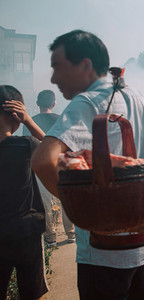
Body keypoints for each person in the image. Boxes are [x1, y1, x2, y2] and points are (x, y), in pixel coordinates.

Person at [31, 30, 144, 300]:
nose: (54, 78)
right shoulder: (139, 98)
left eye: (57, 67)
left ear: (86, 66)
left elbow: (43, 160)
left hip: (106, 251)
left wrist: (84, 208)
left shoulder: (87, 102)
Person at [0, 85, 47, 300]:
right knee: (31, 292)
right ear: (16, 115)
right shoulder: (25, 145)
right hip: (26, 232)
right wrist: (29, 120)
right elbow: (58, 152)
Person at [23, 90, 75, 246]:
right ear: (54, 104)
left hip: (40, 168)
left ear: (37, 103)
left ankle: (50, 237)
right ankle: (71, 233)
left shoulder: (30, 122)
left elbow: (28, 147)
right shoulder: (62, 120)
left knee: (45, 202)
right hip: (60, 165)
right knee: (65, 199)